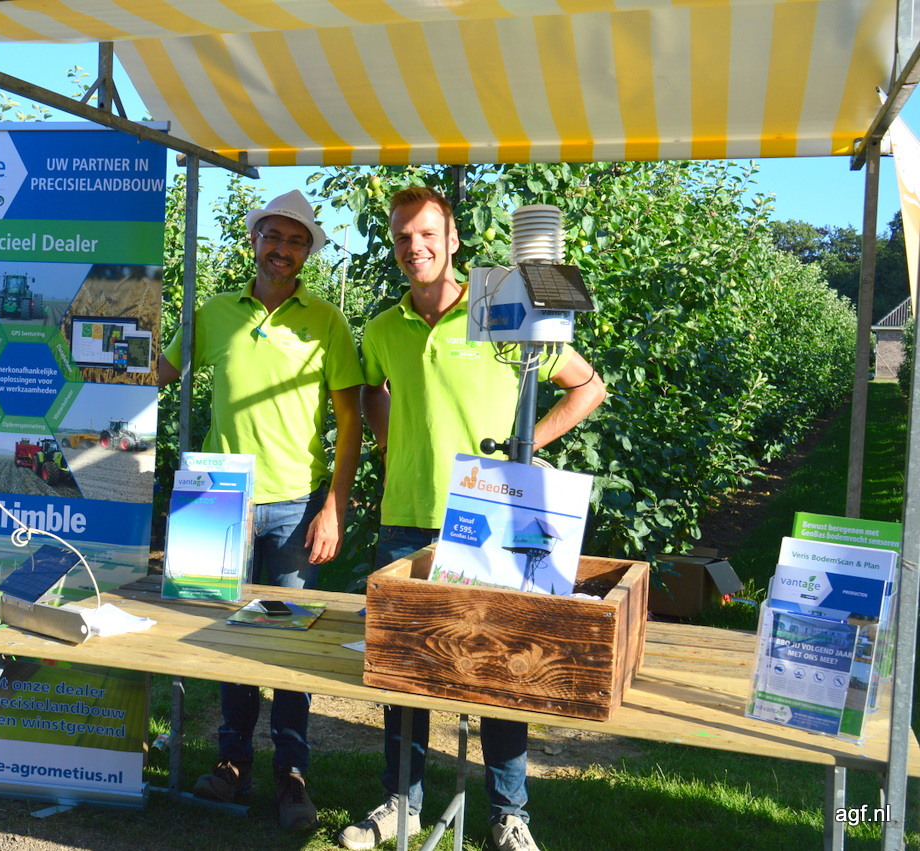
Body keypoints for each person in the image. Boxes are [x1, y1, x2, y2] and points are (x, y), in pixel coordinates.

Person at [337, 186, 607, 851]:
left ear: (454, 239)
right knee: (405, 672)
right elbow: (372, 389)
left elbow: (588, 385)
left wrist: (526, 446)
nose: (416, 247)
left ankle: (509, 814)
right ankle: (401, 804)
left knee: (502, 672)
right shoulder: (383, 328)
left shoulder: (501, 311)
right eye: (403, 237)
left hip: (490, 519)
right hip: (406, 519)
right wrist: (390, 444)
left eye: (428, 234)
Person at [158, 189, 365, 830]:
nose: (282, 250)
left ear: (308, 253)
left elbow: (351, 420)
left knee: (289, 643)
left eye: (296, 241)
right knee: (227, 635)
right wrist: (92, 339)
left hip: (295, 507)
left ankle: (292, 774)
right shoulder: (214, 313)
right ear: (254, 241)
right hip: (219, 501)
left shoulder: (327, 322)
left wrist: (334, 507)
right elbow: (160, 372)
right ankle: (233, 763)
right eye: (273, 236)